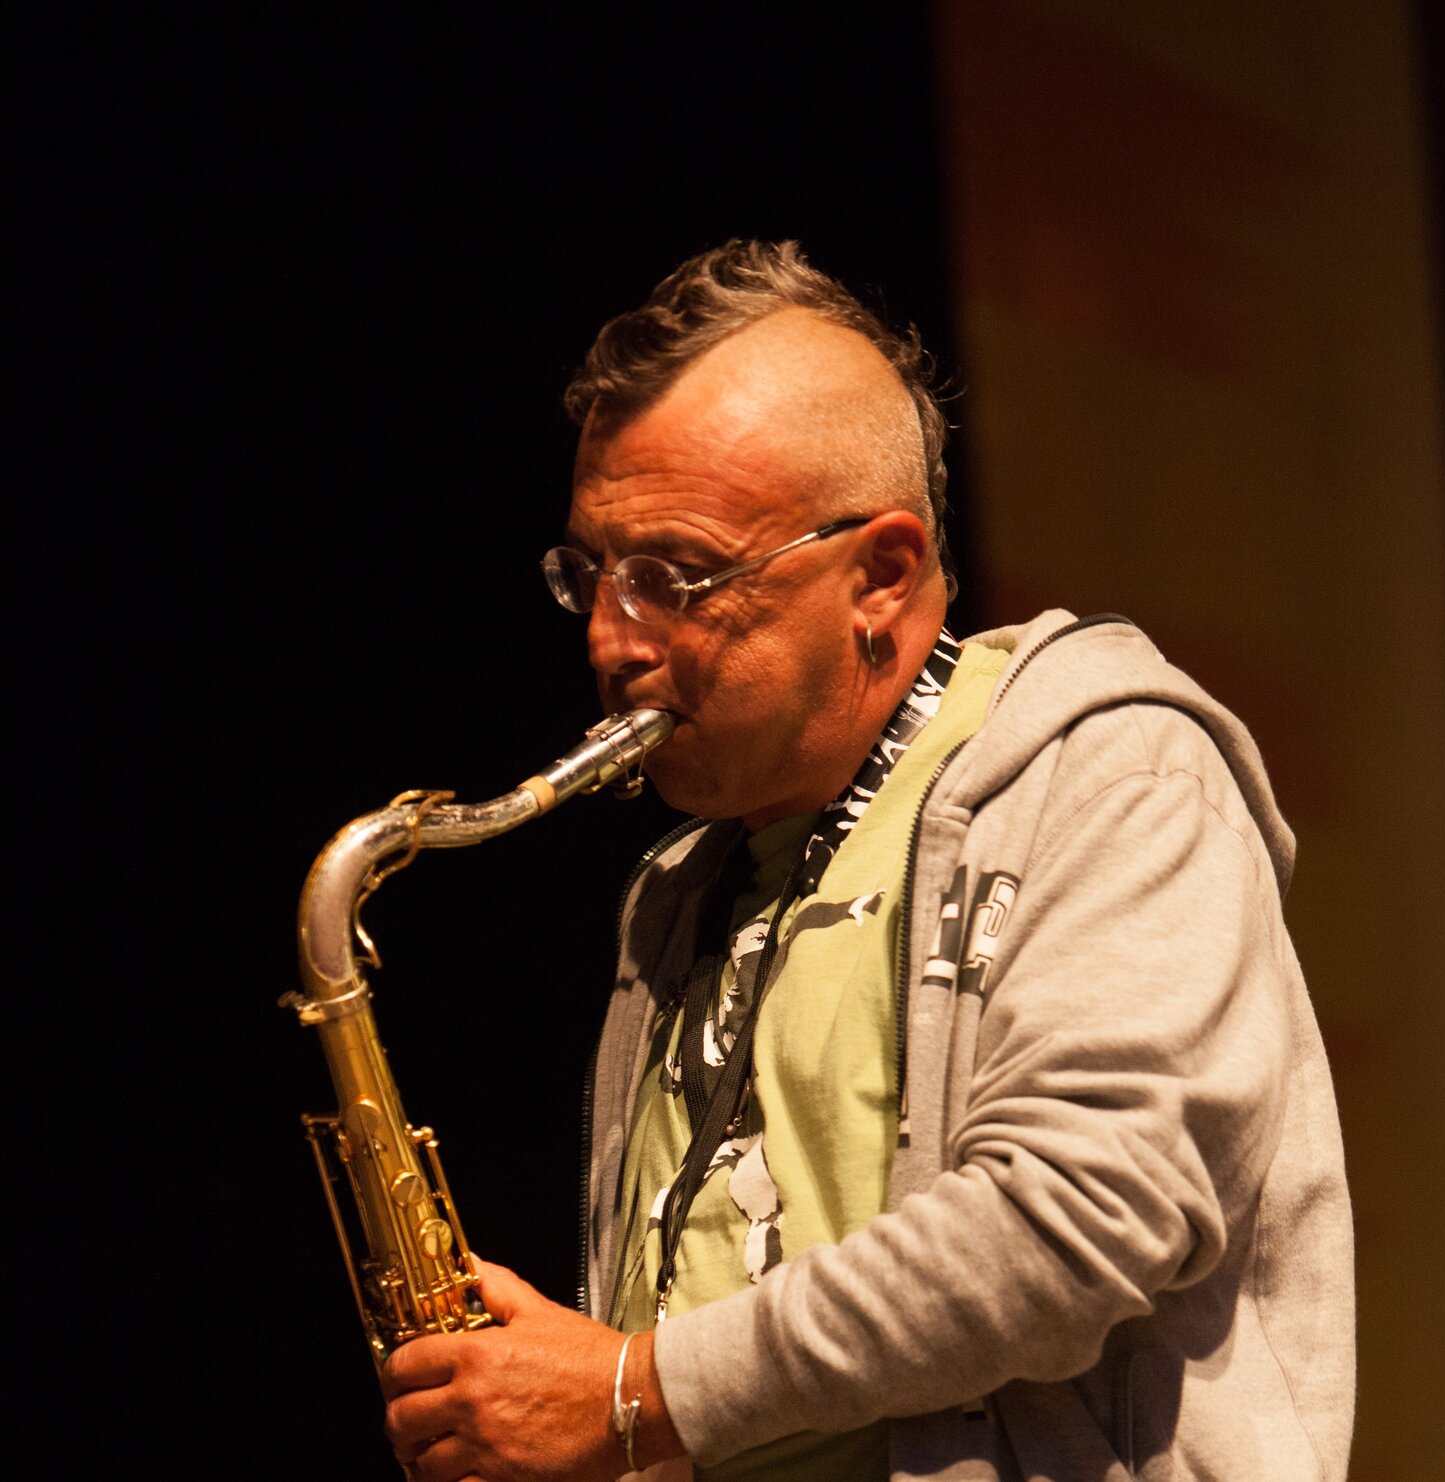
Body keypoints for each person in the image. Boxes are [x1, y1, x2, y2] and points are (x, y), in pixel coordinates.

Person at [381, 241, 1356, 1481]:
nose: (612, 643)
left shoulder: (1111, 778)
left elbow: (1072, 1224)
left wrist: (630, 1391)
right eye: (594, 575)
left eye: (674, 577)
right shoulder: (675, 896)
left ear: (880, 577)